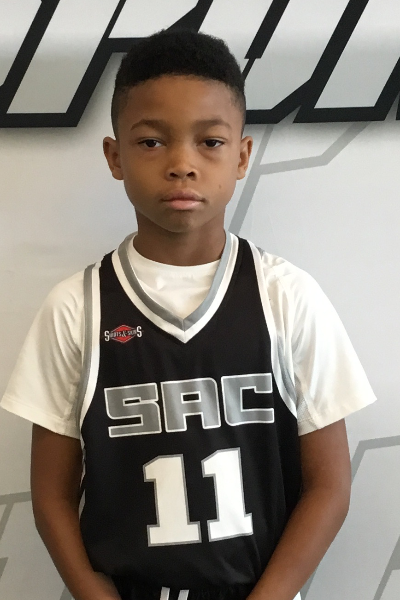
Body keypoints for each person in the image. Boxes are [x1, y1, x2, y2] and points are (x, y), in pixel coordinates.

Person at [0, 29, 376, 600]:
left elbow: (330, 487)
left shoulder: (286, 296)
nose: (182, 165)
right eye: (152, 142)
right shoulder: (77, 307)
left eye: (210, 142)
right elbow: (51, 495)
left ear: (242, 155)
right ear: (115, 156)